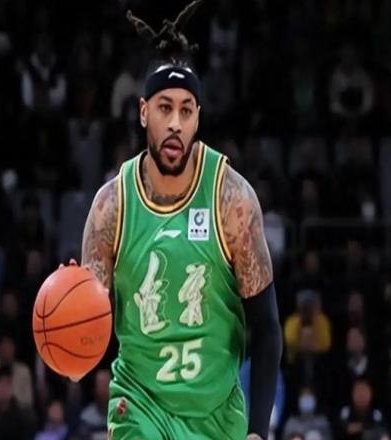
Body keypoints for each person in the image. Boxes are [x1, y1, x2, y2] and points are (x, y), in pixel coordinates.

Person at [75, 2, 282, 439]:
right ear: (143, 111)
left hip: (216, 414)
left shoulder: (232, 200)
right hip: (139, 406)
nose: (175, 123)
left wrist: (258, 431)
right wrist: (72, 300)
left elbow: (266, 329)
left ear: (198, 118)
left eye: (186, 110)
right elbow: (86, 331)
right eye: (164, 108)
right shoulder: (111, 207)